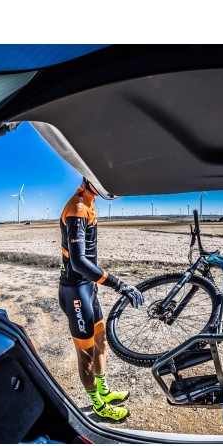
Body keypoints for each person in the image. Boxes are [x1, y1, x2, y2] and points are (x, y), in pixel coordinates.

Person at [58, 177, 144, 421]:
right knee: (85, 355)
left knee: (101, 342)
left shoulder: (88, 201)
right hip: (75, 291)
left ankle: (103, 391)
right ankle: (97, 404)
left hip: (87, 287)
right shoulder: (78, 208)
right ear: (89, 178)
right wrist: (119, 284)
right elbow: (78, 262)